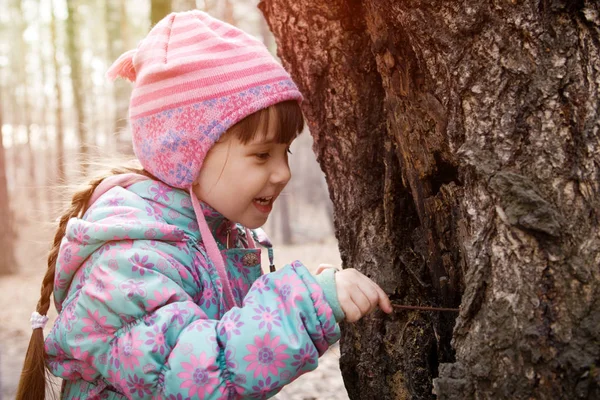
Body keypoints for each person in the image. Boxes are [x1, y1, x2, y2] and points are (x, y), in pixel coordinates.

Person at [16, 10, 392, 400]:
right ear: (187, 155)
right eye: (262, 155)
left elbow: (231, 332)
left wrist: (312, 293)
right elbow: (195, 375)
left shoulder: (211, 234)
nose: (283, 173)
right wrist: (306, 305)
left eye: (286, 152)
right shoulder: (128, 262)